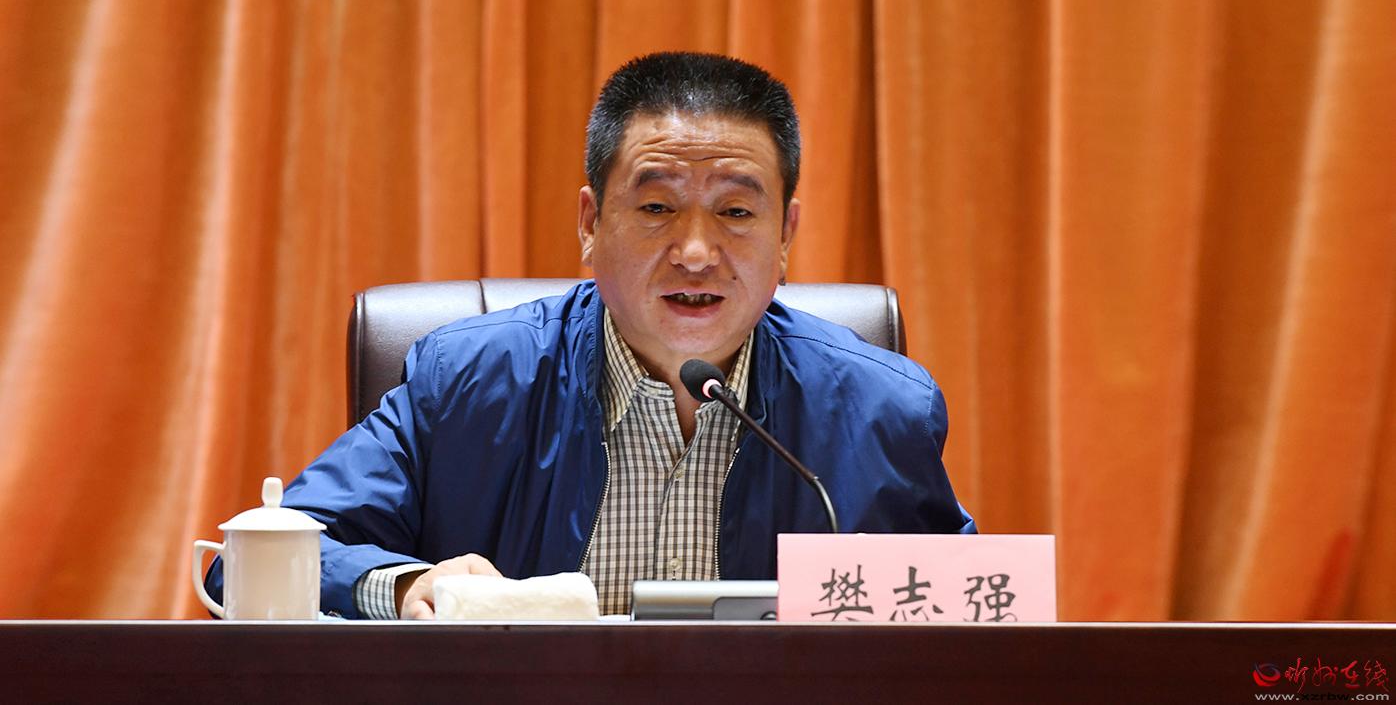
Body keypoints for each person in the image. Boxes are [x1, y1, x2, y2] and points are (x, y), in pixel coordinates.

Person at [206, 51, 974, 618]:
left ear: (786, 237)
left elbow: (972, 614)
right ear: (589, 222)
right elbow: (249, 564)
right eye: (656, 207)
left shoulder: (880, 410)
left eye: (737, 212)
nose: (696, 251)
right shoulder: (467, 382)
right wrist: (408, 585)